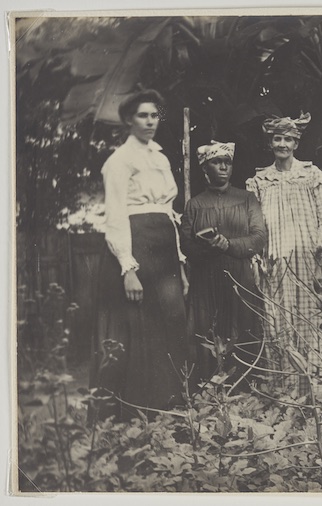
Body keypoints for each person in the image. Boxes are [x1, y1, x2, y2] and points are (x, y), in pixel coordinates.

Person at [91, 89, 189, 420]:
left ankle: (166, 408)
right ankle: (134, 413)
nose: (150, 121)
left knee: (170, 323)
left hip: (164, 249)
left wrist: (181, 266)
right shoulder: (119, 161)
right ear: (129, 120)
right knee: (139, 326)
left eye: (154, 115)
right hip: (137, 246)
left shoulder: (160, 158)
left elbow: (168, 213)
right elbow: (115, 217)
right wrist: (127, 267)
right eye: (143, 115)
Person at [246, 113, 322, 396]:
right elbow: (256, 222)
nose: (282, 144)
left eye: (288, 139)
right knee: (279, 319)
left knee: (311, 318)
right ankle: (287, 388)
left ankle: (318, 388)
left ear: (296, 143)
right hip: (276, 257)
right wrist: (260, 255)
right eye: (277, 138)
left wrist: (321, 247)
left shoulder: (310, 174)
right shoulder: (260, 180)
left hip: (308, 255)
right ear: (270, 142)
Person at [180, 141, 266, 388]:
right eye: (216, 163)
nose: (223, 167)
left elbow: (259, 237)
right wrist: (208, 247)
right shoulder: (194, 204)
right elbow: (186, 245)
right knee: (207, 330)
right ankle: (207, 389)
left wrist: (229, 245)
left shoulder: (247, 199)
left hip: (239, 276)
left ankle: (246, 387)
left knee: (244, 327)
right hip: (205, 278)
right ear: (205, 169)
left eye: (227, 162)